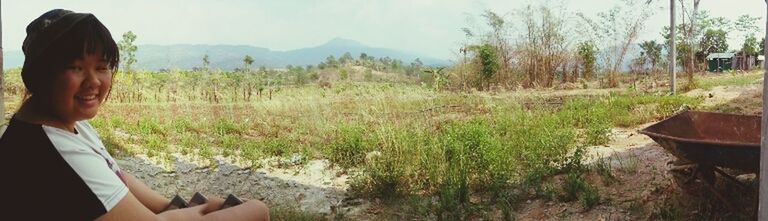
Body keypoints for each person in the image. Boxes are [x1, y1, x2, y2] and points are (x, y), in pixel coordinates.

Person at [0, 9, 270, 220]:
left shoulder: (58, 124)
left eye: (102, 66)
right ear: (42, 74)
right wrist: (253, 210)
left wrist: (172, 205)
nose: (93, 81)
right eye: (75, 67)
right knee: (256, 212)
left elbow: (116, 176)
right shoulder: (51, 152)